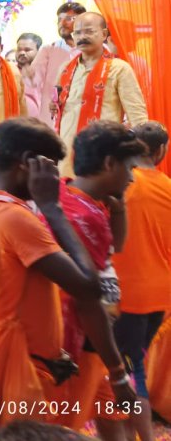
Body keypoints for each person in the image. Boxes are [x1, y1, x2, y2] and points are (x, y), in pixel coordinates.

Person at [0, 118, 137, 441]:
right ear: (27, 163)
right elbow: (89, 288)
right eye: (50, 167)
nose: (55, 177)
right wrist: (52, 208)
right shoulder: (16, 217)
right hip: (16, 377)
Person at [53, 122, 145, 437]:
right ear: (108, 164)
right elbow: (87, 301)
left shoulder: (70, 194)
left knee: (115, 421)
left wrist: (117, 211)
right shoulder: (83, 215)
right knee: (68, 425)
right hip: (81, 345)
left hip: (94, 342)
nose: (132, 177)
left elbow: (113, 247)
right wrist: (118, 372)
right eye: (129, 168)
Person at [112, 121, 171, 441]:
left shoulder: (119, 187)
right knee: (135, 370)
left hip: (122, 297)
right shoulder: (168, 188)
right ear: (161, 151)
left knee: (123, 375)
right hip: (160, 297)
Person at [53, 12, 148, 177]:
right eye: (78, 33)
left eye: (89, 31)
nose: (82, 37)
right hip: (66, 155)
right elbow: (59, 104)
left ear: (104, 34)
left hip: (103, 155)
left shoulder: (119, 68)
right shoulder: (66, 68)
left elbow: (137, 116)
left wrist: (139, 155)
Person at [30, 2, 88, 125]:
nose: (62, 23)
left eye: (68, 19)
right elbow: (32, 85)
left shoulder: (91, 51)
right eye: (59, 19)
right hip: (51, 120)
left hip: (83, 117)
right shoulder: (49, 50)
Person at [15, 33, 44, 118]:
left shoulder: (48, 73)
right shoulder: (10, 72)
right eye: (19, 49)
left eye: (27, 50)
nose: (22, 53)